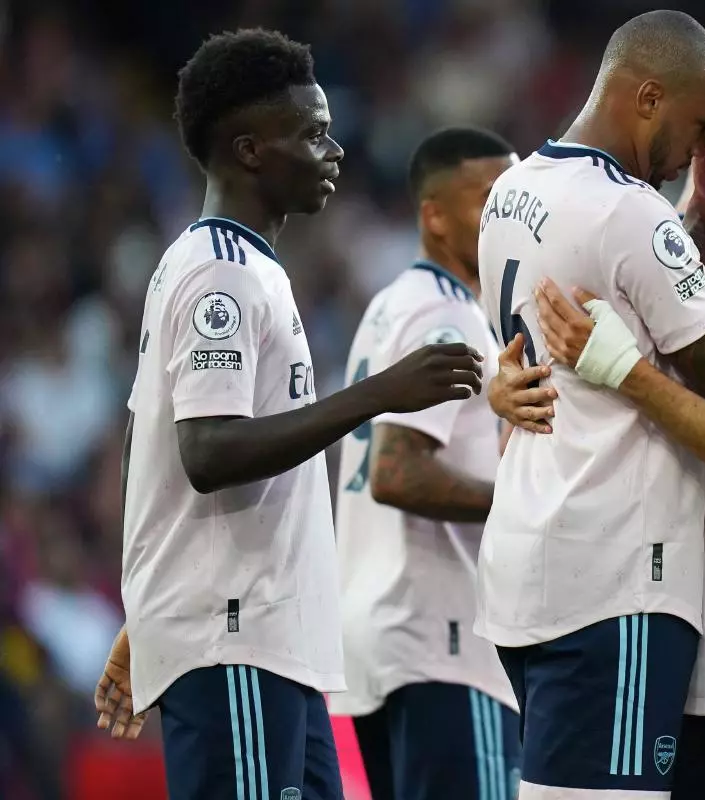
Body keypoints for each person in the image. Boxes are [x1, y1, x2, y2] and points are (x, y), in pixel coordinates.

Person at [91, 29, 483, 800]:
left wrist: (149, 607)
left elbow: (152, 444)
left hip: (264, 638)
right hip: (234, 638)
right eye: (310, 133)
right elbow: (204, 454)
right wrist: (377, 394)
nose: (333, 149)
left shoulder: (238, 269)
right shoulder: (220, 275)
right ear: (249, 151)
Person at [475, 10, 705, 799]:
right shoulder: (627, 211)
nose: (703, 156)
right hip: (614, 583)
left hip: (524, 565)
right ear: (648, 98)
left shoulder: (511, 189)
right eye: (704, 127)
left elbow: (517, 365)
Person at [331, 127, 523, 800]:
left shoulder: (393, 304)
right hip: (438, 636)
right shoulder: (446, 316)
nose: (504, 219)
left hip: (388, 633)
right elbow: (397, 471)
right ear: (434, 214)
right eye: (489, 200)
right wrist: (525, 503)